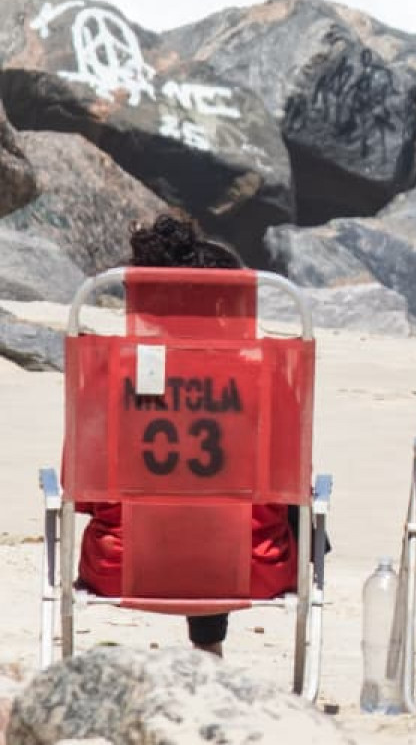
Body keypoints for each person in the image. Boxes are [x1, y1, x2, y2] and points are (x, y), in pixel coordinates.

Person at [77, 212, 298, 656]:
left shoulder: (109, 373)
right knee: (232, 508)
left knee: (176, 504)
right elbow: (290, 482)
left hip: (124, 565)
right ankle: (208, 647)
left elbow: (81, 489)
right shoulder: (266, 376)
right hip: (249, 568)